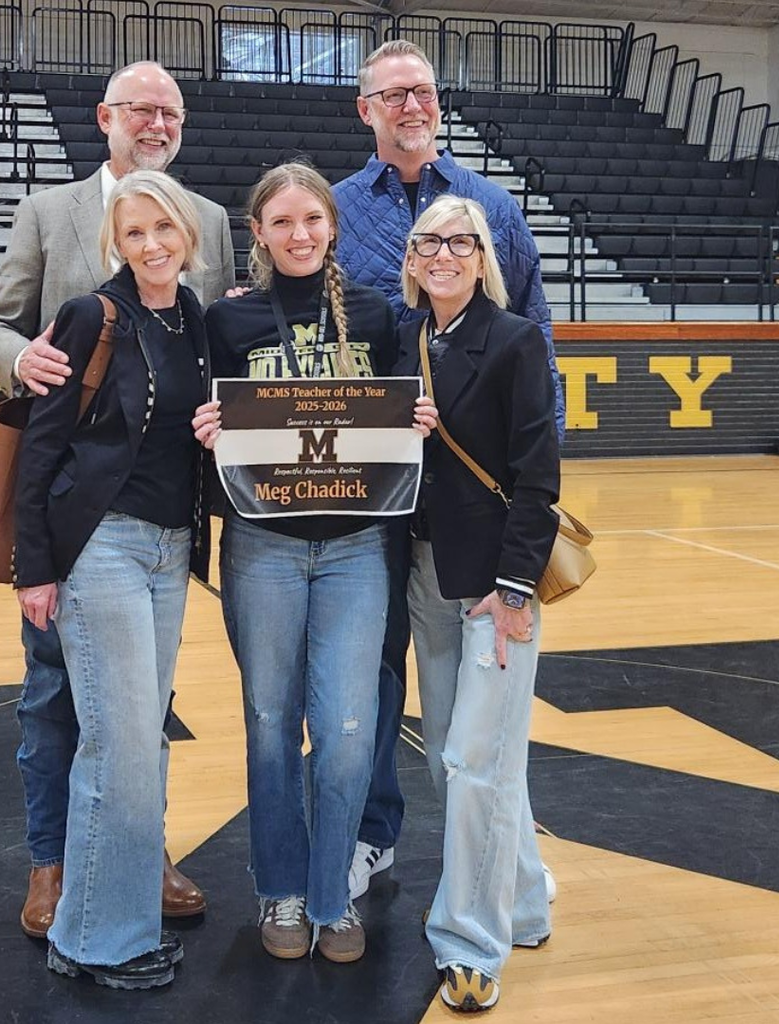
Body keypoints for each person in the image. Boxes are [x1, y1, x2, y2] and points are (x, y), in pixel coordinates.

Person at [0, 60, 235, 938]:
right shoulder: (49, 212)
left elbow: (212, 343)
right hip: (77, 512)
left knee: (143, 705)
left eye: (171, 113)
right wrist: (23, 359)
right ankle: (52, 862)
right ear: (104, 117)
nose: (157, 123)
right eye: (141, 109)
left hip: (164, 514)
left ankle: (138, 850)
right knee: (53, 697)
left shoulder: (209, 221)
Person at [331, 39, 564, 901]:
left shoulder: (491, 204)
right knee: (373, 679)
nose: (411, 106)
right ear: (366, 109)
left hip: (472, 513)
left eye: (423, 91)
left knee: (473, 729)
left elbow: (535, 339)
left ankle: (507, 888)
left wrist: (532, 498)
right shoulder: (336, 209)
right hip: (375, 504)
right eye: (393, 94)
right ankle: (374, 836)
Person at [192, 162, 437, 964]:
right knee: (270, 726)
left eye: (312, 219)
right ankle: (281, 892)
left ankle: (333, 897)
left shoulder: (375, 314)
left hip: (357, 547)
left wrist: (416, 418)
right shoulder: (226, 320)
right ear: (257, 234)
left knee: (346, 730)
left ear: (332, 225)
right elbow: (205, 423)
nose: (299, 235)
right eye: (282, 222)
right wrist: (207, 430)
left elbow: (394, 420)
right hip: (261, 544)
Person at [14, 170, 212, 990]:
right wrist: (34, 568)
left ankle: (113, 919)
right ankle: (94, 940)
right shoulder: (89, 315)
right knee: (119, 744)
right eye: (134, 233)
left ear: (187, 234)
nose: (151, 244)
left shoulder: (194, 316)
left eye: (163, 228)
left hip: (170, 549)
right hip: (102, 547)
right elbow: (40, 446)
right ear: (116, 244)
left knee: (141, 741)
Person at [396, 194, 559, 1012]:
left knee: (472, 762)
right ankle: (524, 898)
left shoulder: (516, 340)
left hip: (496, 584)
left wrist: (518, 587)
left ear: (483, 255)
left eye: (460, 242)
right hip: (428, 572)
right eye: (429, 242)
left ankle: (470, 943)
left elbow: (539, 473)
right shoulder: (404, 340)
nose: (444, 255)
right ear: (411, 259)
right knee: (453, 759)